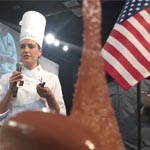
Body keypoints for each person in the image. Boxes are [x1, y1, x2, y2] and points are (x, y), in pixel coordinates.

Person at [0, 11, 66, 126]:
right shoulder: (7, 78)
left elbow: (60, 119)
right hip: (13, 138)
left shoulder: (52, 79)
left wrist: (49, 97)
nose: (26, 50)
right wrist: (10, 90)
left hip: (40, 138)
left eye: (31, 46)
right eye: (22, 46)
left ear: (40, 52)